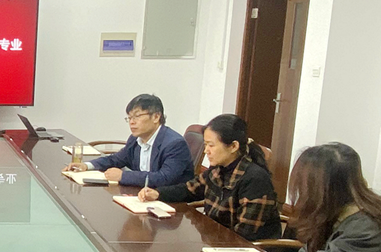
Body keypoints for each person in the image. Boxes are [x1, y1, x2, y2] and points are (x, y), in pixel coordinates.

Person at [138, 113, 280, 241]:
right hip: (216, 240)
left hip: (244, 251)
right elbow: (190, 190)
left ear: (233, 146)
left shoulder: (255, 179)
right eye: (205, 145)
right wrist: (158, 193)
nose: (206, 151)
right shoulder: (218, 169)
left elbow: (244, 235)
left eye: (211, 145)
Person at [64, 93, 195, 188]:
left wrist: (123, 176)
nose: (132, 122)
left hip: (171, 204)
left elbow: (164, 178)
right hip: (141, 195)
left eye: (137, 116)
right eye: (129, 118)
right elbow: (116, 159)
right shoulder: (135, 139)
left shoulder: (174, 144)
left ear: (156, 117)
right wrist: (87, 166)